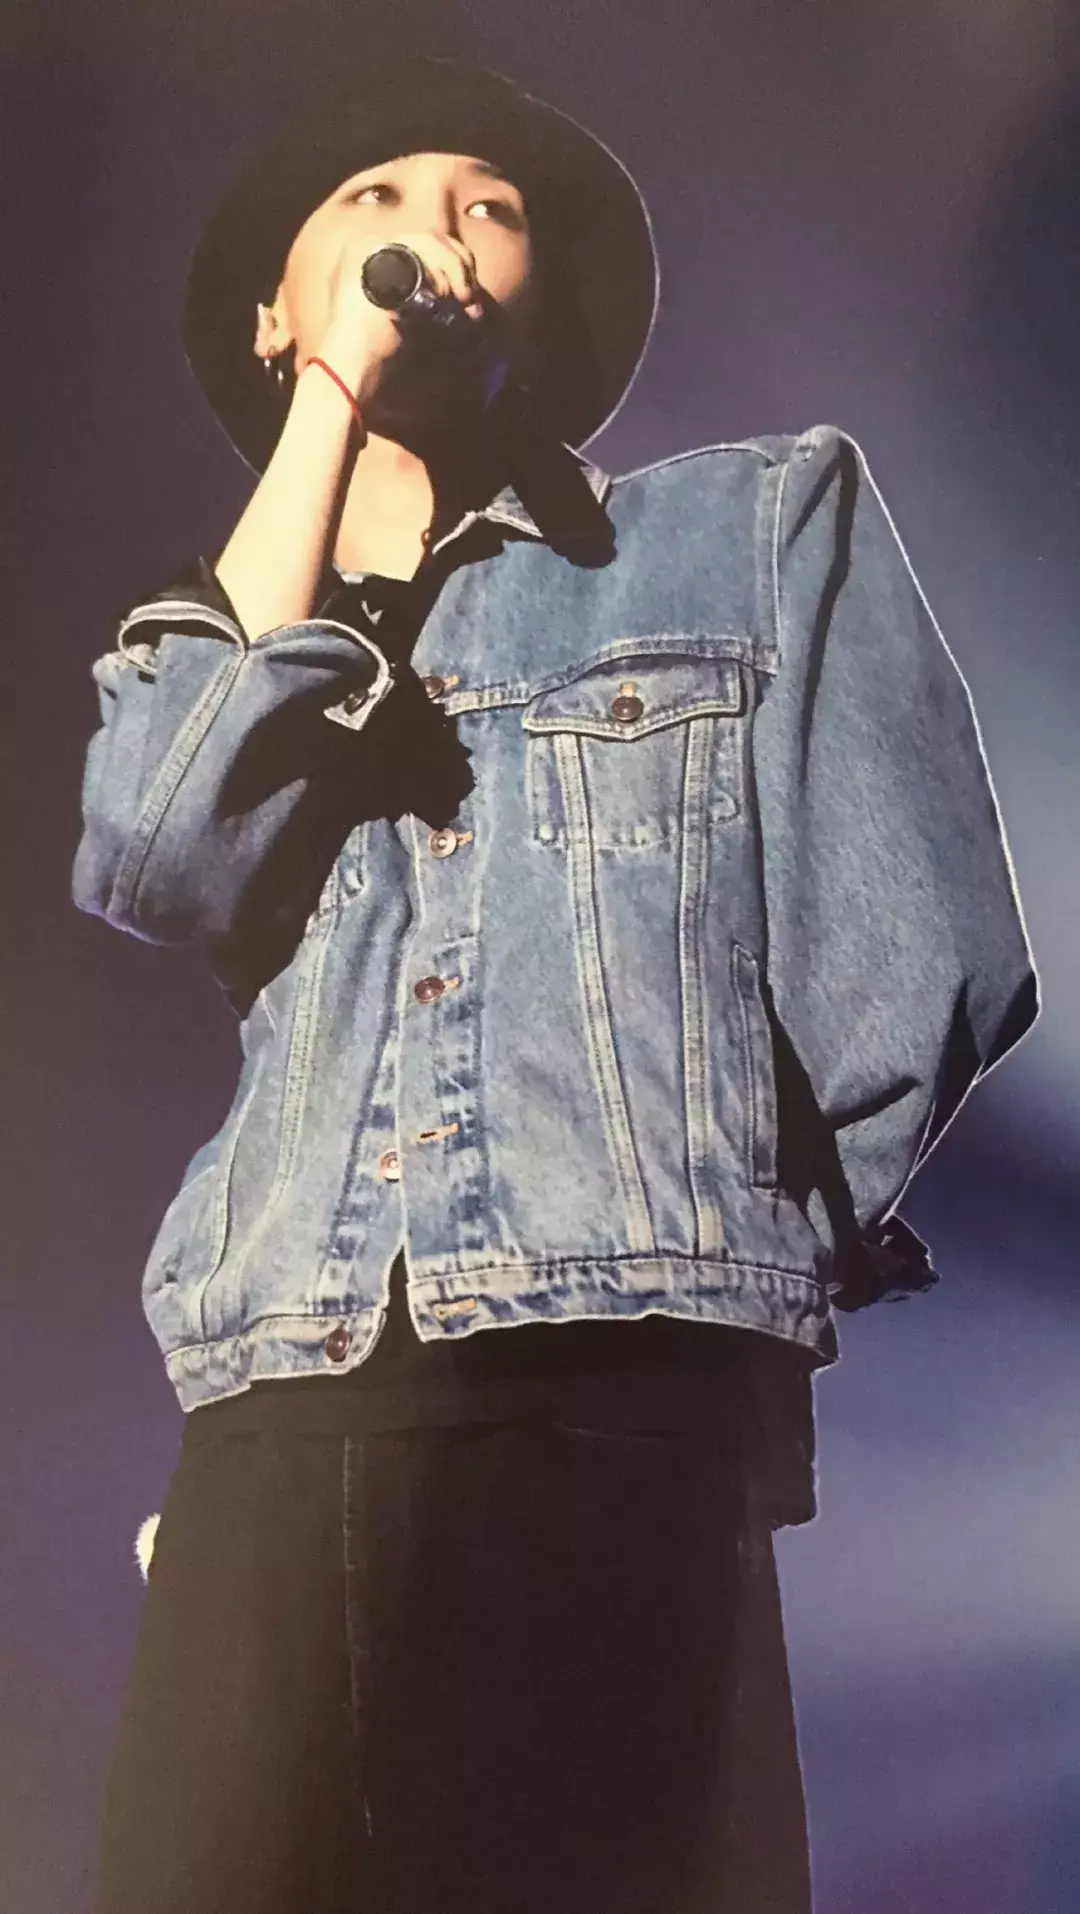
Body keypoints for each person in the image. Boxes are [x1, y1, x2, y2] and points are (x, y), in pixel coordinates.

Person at [74, 52, 1040, 1914]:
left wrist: (704, 1256)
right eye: (370, 199)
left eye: (487, 206)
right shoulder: (207, 649)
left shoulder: (747, 532)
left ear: (545, 300)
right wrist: (333, 409)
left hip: (614, 1407)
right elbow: (156, 854)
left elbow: (917, 952)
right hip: (274, 1421)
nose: (431, 232)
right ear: (276, 312)